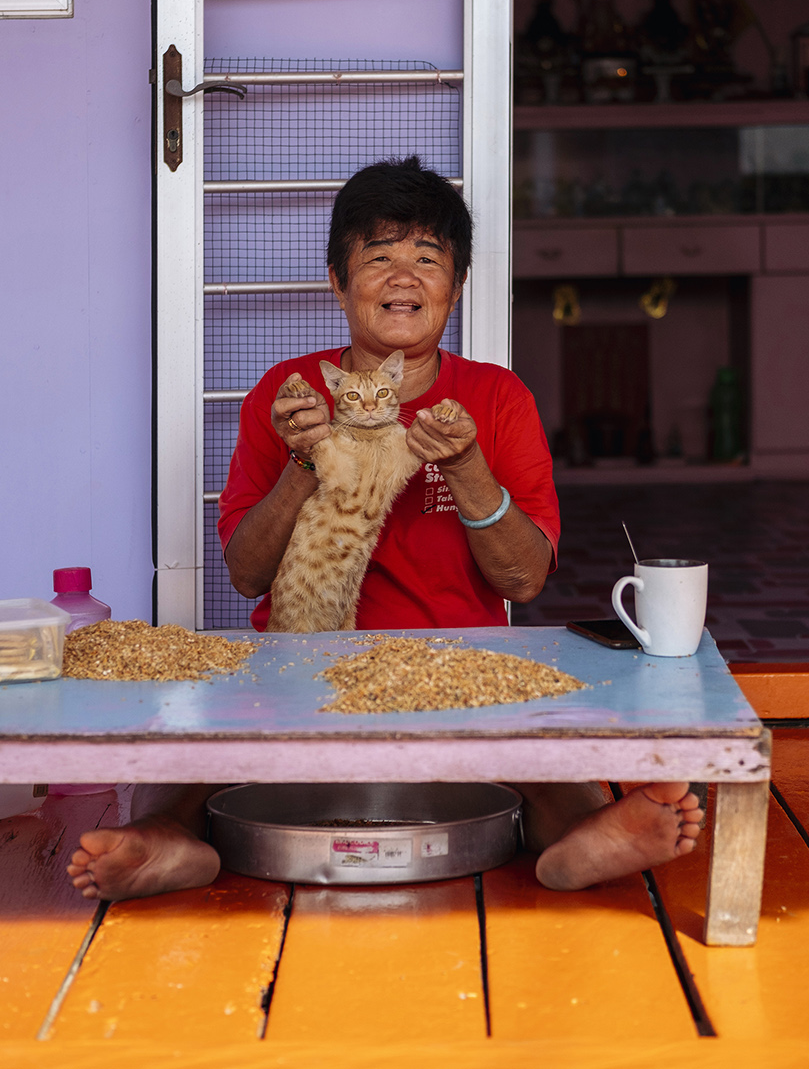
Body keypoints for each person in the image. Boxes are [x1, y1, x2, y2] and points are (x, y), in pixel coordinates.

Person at [67, 156, 702, 901]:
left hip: (458, 663)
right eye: (378, 258)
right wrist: (304, 461)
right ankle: (169, 843)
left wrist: (465, 466)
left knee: (540, 753)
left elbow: (523, 579)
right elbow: (246, 574)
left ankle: (575, 843)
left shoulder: (495, 397)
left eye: (428, 259)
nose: (404, 278)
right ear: (338, 282)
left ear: (456, 287)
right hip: (302, 663)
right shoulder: (289, 392)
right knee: (189, 738)